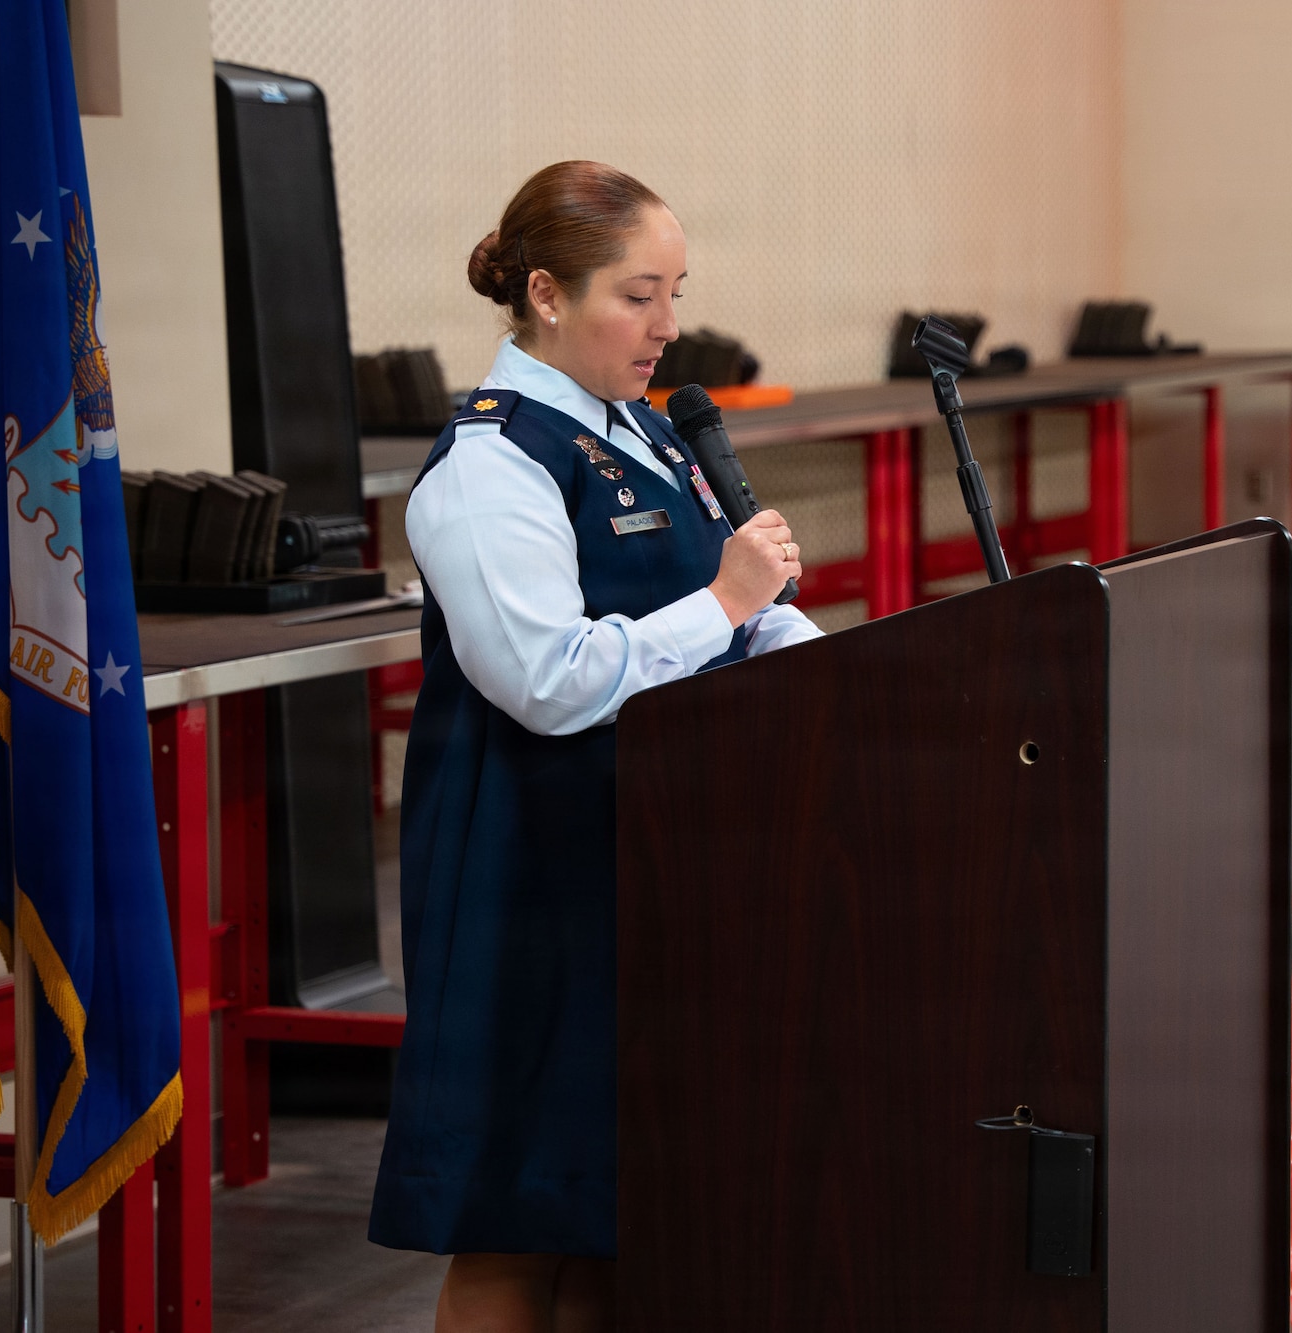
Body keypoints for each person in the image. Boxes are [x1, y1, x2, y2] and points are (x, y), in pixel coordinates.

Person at [368, 160, 820, 1332]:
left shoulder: (646, 432)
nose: (666, 326)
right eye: (637, 295)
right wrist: (724, 602)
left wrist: (842, 667)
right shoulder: (491, 463)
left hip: (654, 866)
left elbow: (745, 612)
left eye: (676, 294)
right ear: (545, 294)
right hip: (531, 877)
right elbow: (547, 681)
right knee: (518, 1222)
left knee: (624, 1211)